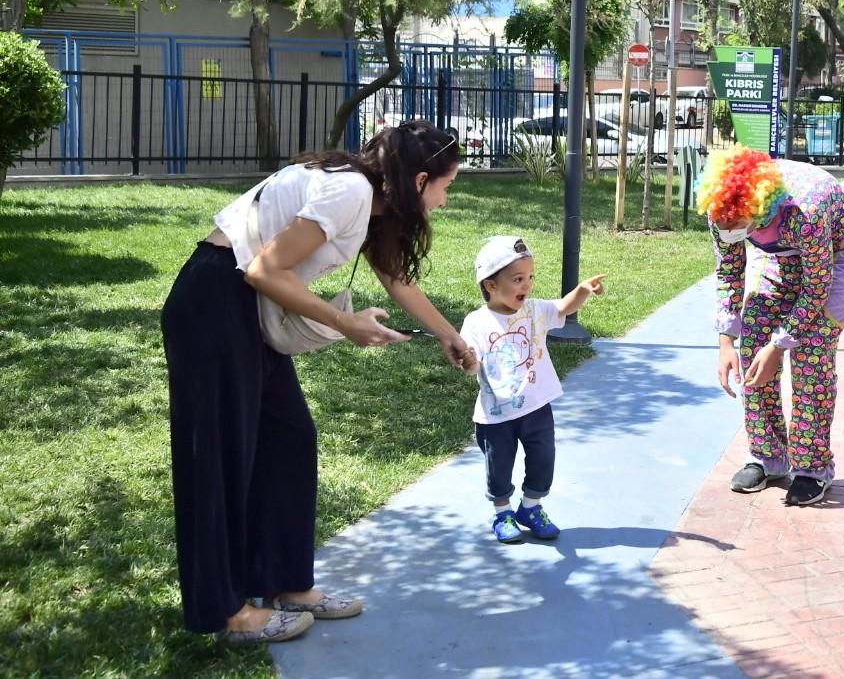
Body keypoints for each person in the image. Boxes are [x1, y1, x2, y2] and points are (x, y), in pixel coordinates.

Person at [160, 119, 478, 645]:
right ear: (421, 180)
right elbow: (264, 269)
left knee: (289, 440)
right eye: (447, 186)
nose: (446, 200)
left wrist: (448, 335)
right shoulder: (350, 190)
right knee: (219, 460)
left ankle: (287, 585)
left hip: (247, 308)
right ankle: (227, 613)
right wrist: (343, 323)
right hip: (216, 302)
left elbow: (395, 276)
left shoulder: (374, 203)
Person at [697, 147, 844, 507]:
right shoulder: (722, 209)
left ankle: (812, 468)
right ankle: (768, 457)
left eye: (734, 226)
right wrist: (727, 341)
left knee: (812, 354)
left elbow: (817, 287)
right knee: (753, 342)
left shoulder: (806, 210)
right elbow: (729, 271)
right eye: (721, 225)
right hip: (782, 255)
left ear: (758, 210)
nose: (726, 231)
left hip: (834, 253)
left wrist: (780, 345)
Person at [461, 235, 604, 544]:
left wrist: (582, 290)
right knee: (499, 467)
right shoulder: (477, 322)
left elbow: (564, 306)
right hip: (496, 415)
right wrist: (468, 360)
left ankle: (530, 509)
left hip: (537, 407)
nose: (526, 285)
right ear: (491, 285)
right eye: (517, 279)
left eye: (529, 278)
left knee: (543, 459)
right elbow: (471, 366)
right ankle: (502, 513)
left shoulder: (535, 310)